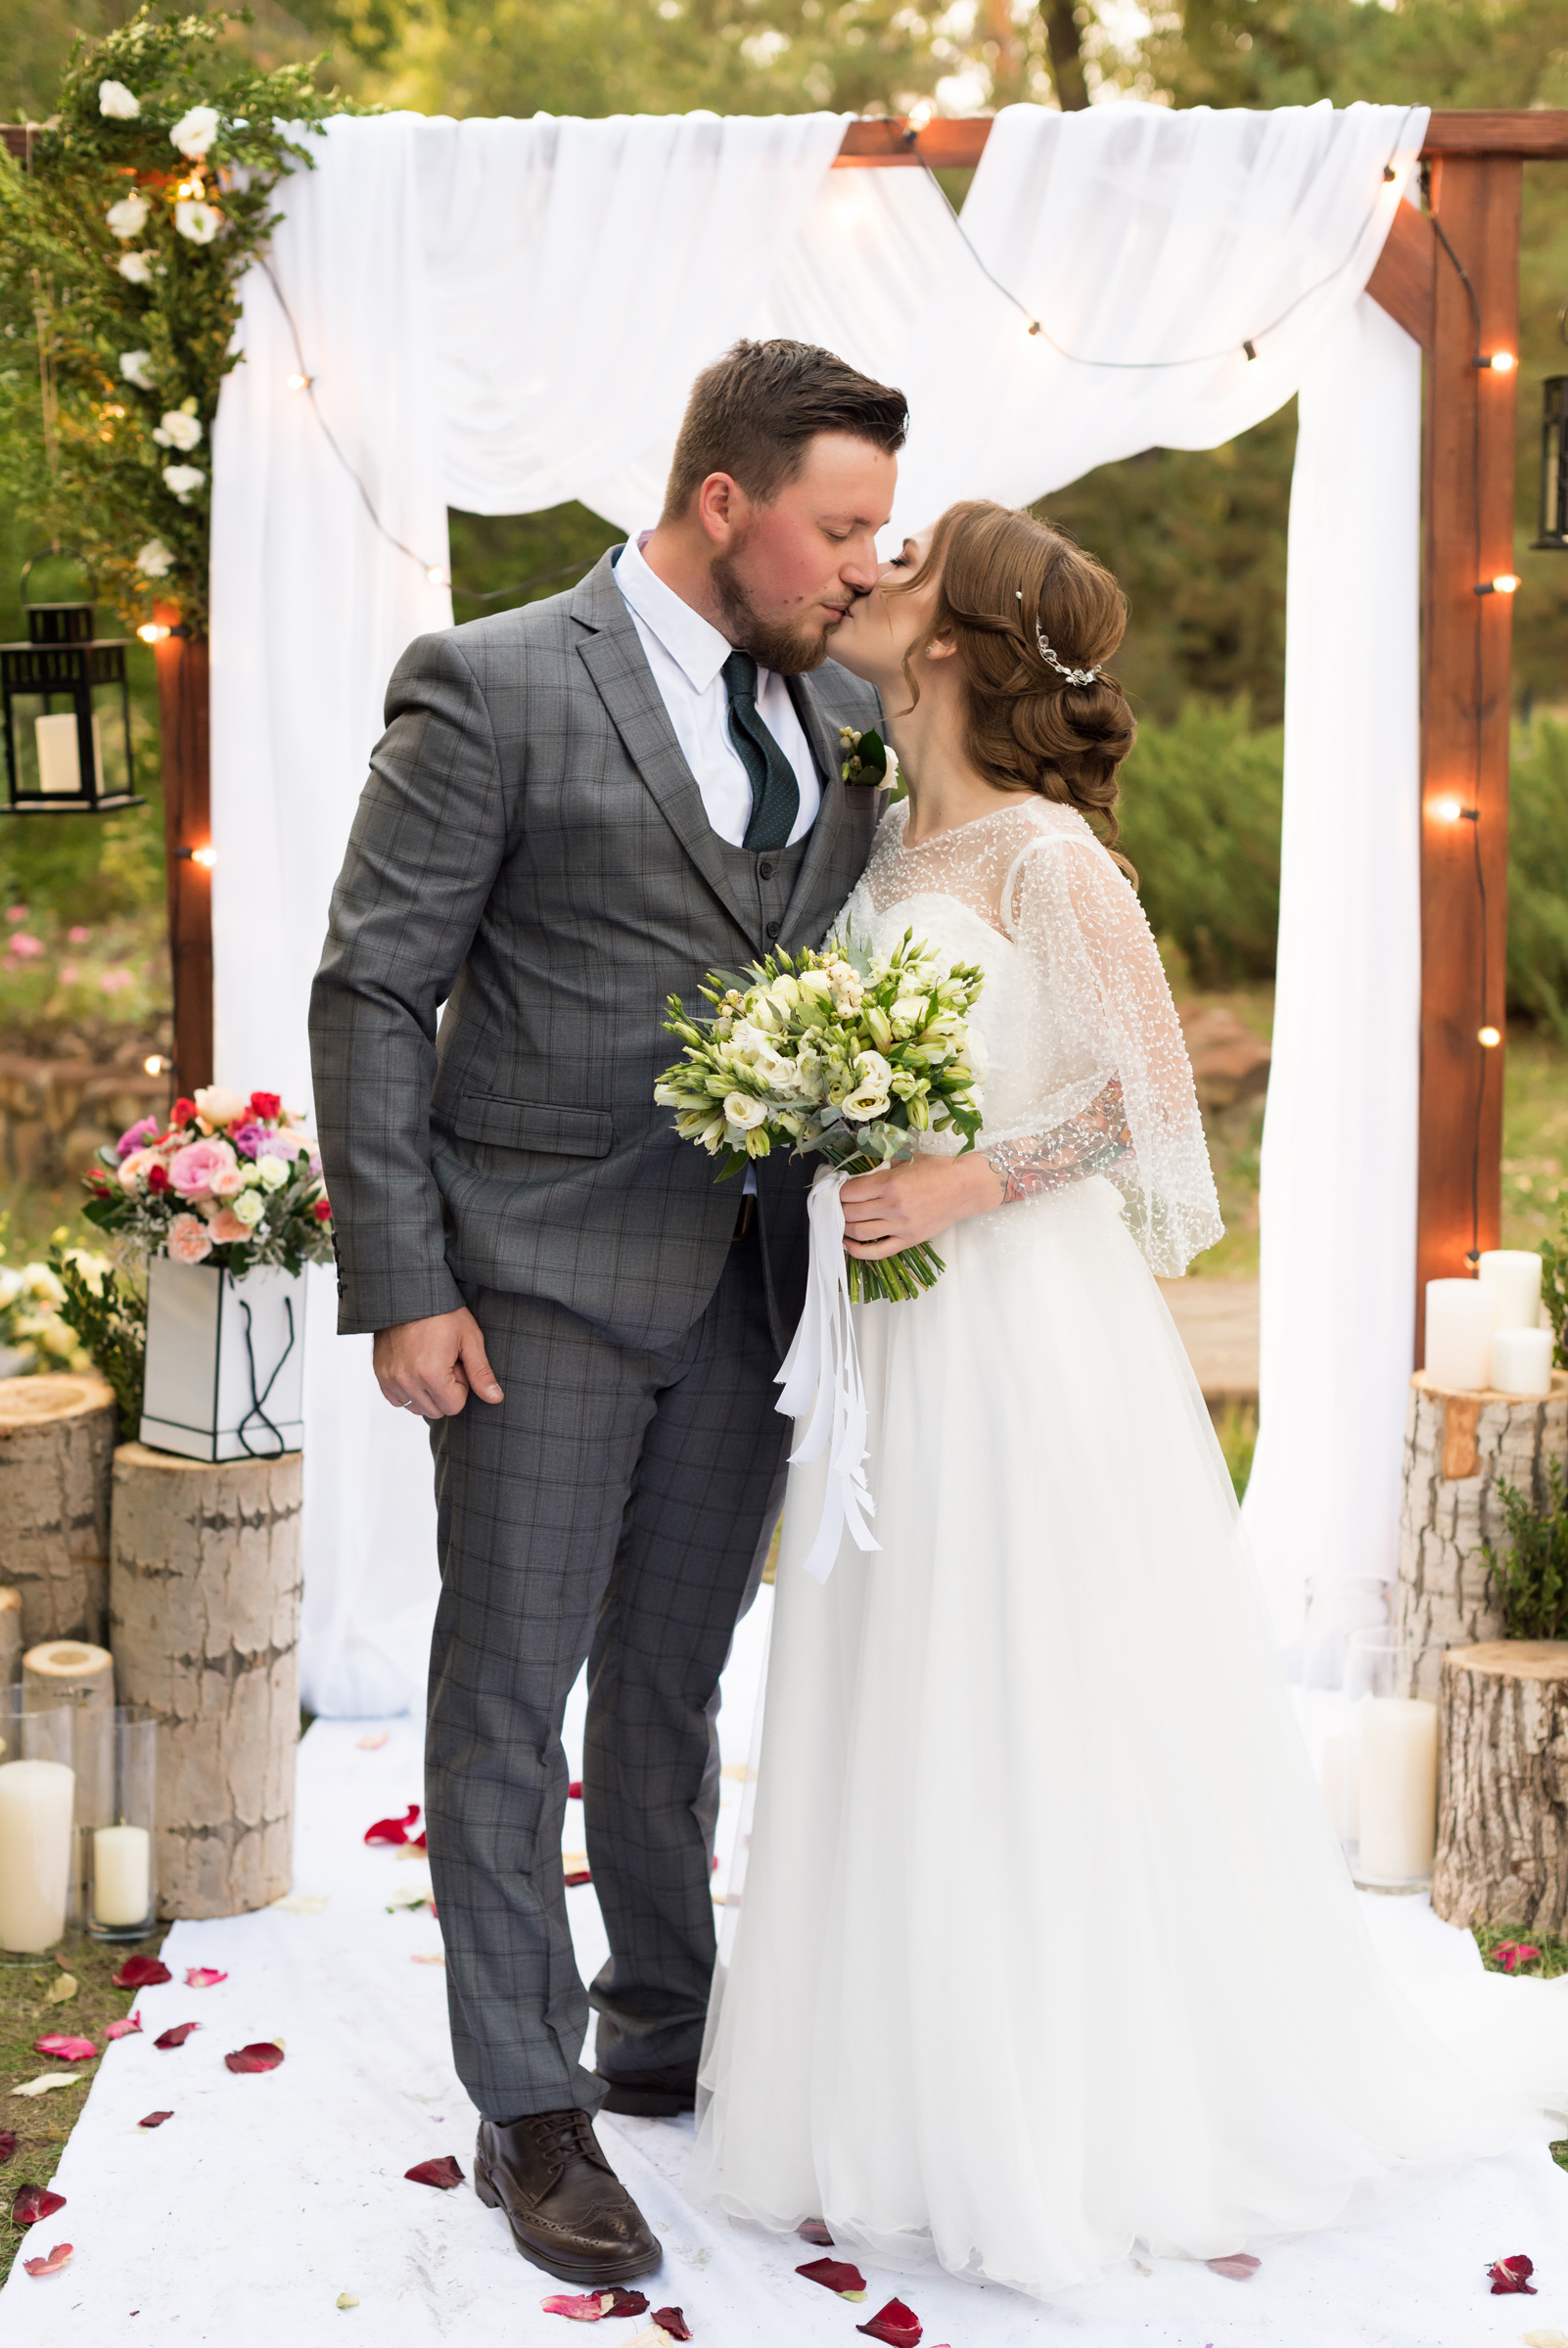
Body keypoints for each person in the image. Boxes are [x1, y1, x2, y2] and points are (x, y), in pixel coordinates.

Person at [693, 499, 1568, 2297]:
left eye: (907, 570)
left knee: (1021, 1689)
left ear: (952, 645)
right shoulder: (871, 841)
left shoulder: (1043, 859)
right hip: (891, 1348)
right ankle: (903, 2089)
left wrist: (958, 1184)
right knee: (898, 1678)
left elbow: (1146, 1116)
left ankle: (1065, 2109)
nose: (865, 578)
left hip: (1016, 1331)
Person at [309, 340, 906, 2287]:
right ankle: (529, 2106)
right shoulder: (490, 683)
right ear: (723, 505)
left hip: (750, 1284)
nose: (856, 568)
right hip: (533, 1278)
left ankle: (664, 2020)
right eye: (836, 530)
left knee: (669, 1689)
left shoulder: (836, 709)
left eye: (877, 534)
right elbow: (371, 990)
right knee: (510, 1695)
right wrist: (403, 1286)